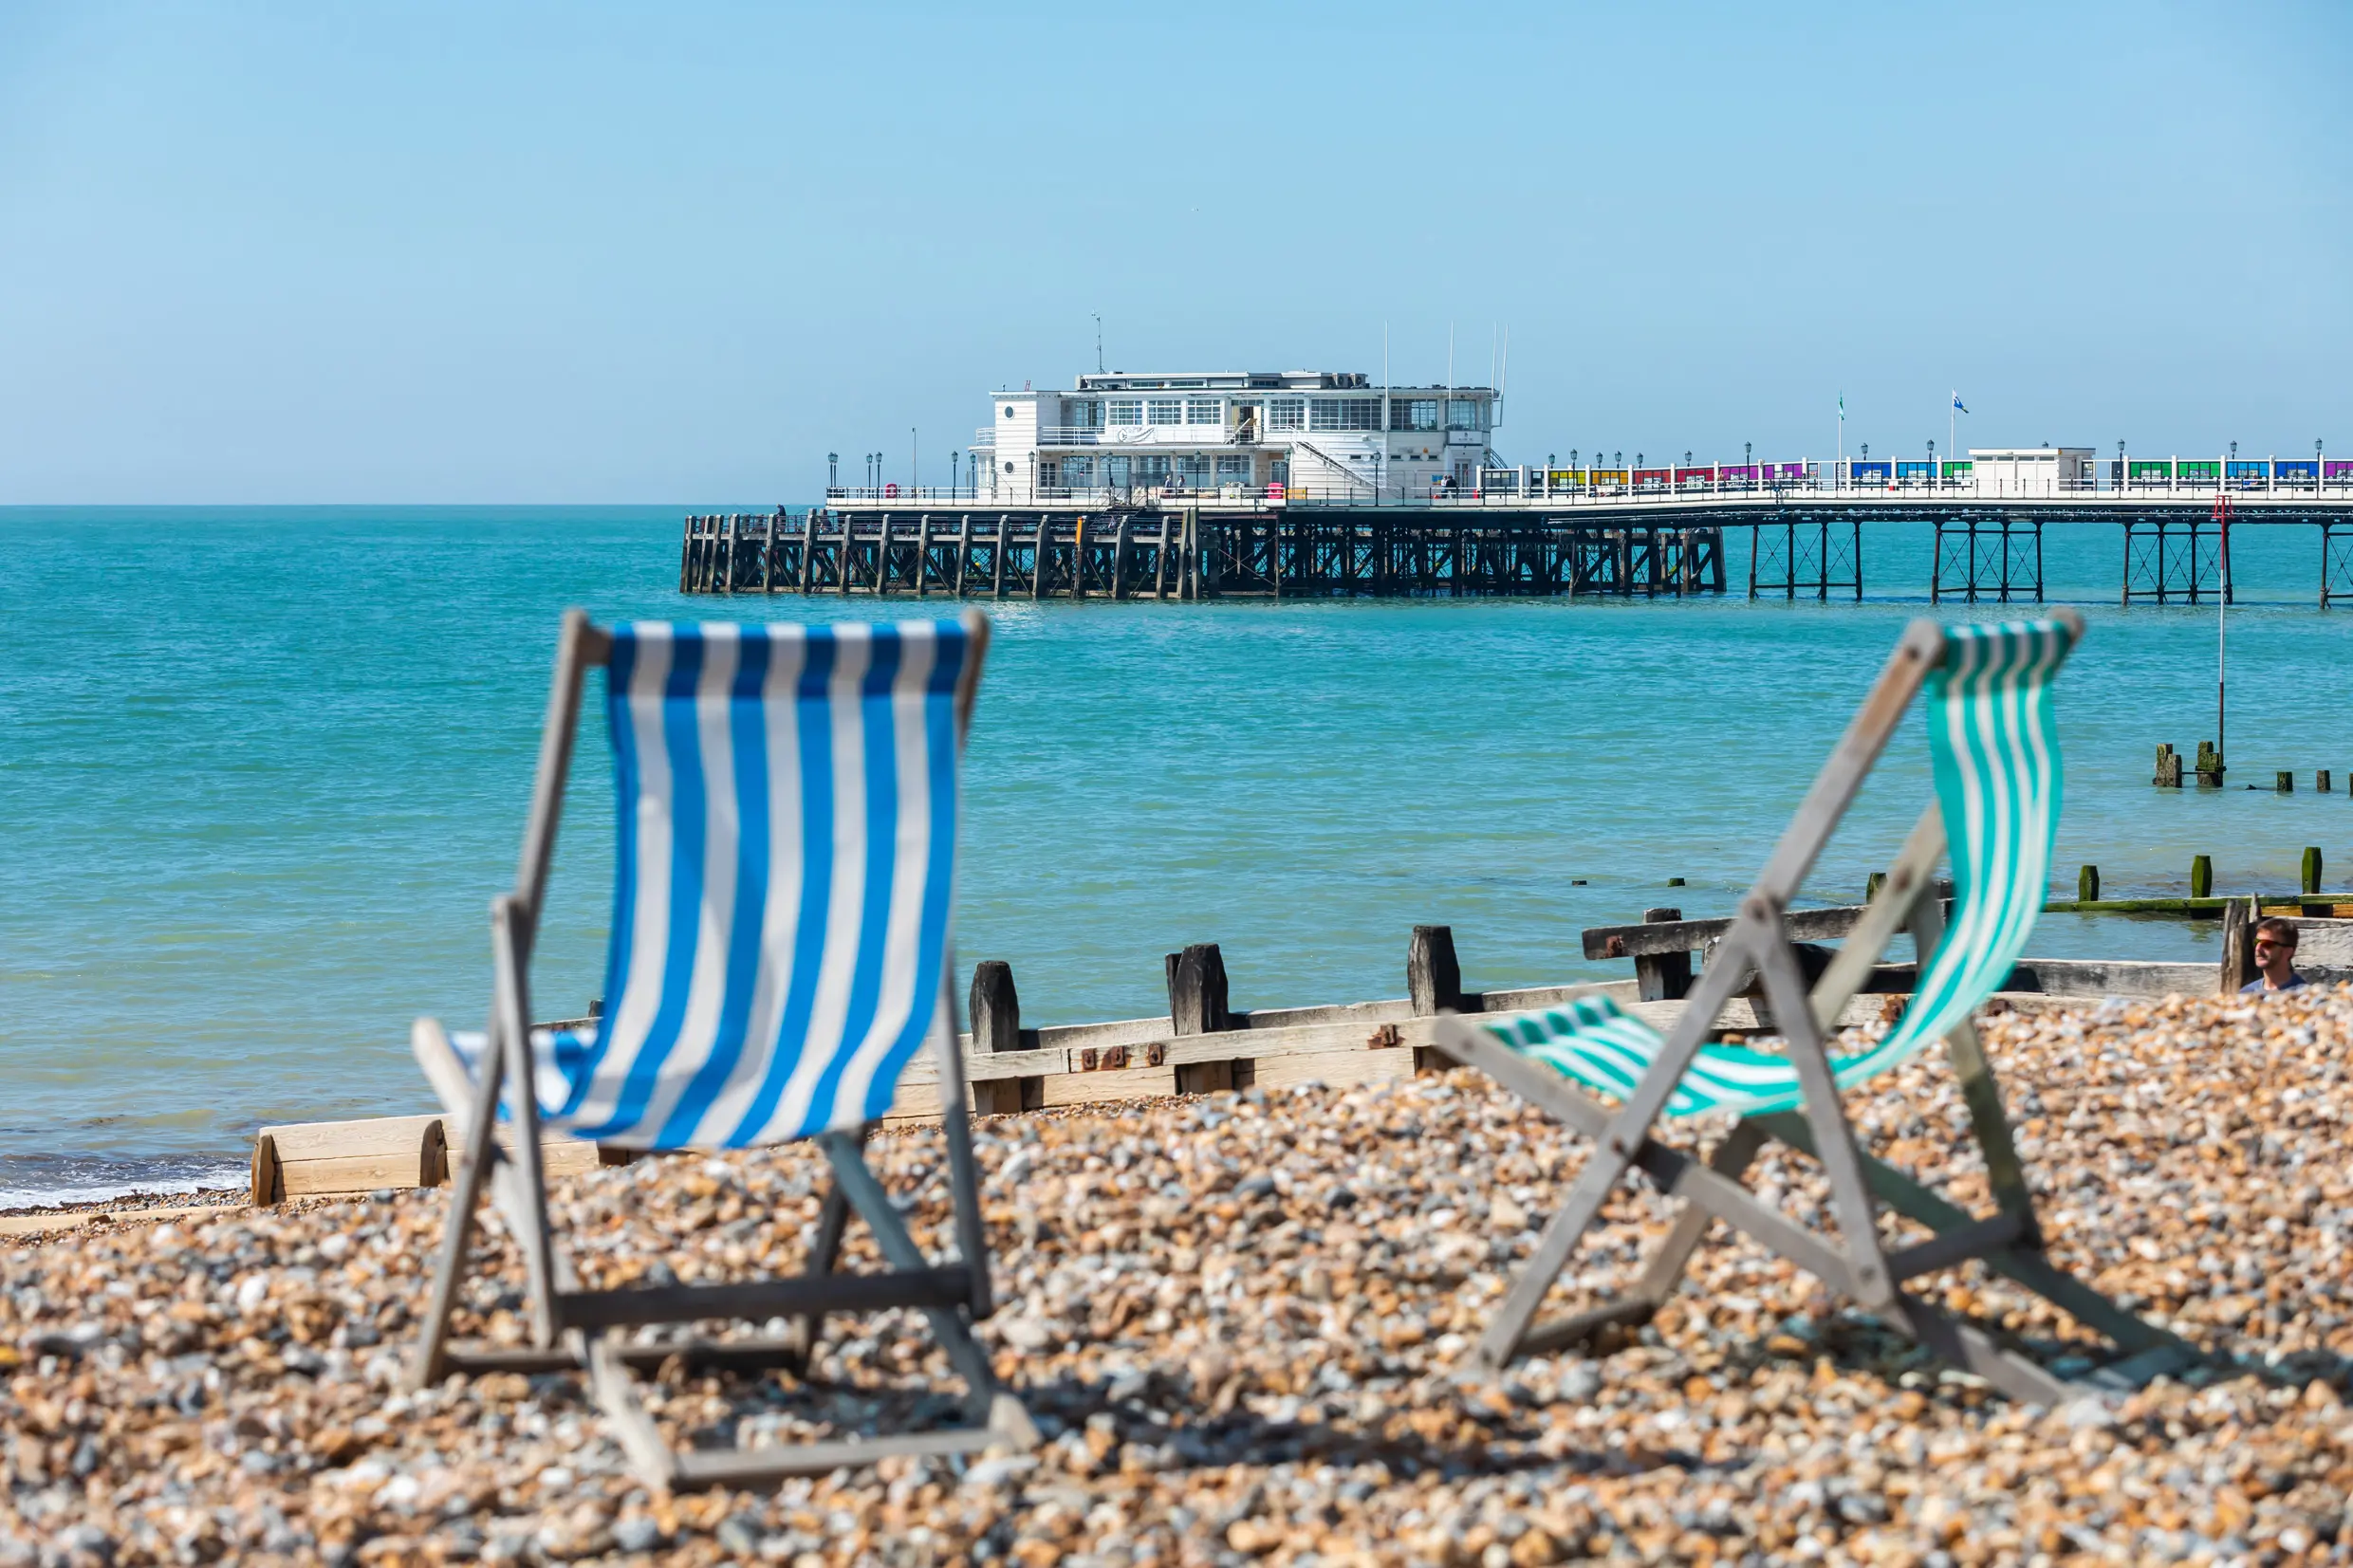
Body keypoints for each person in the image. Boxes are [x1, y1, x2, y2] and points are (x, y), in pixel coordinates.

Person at [2241, 916, 2308, 994]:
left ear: (2288, 952)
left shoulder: (2304, 997)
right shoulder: (2246, 994)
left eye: (2266, 944)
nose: (2258, 949)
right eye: (2256, 942)